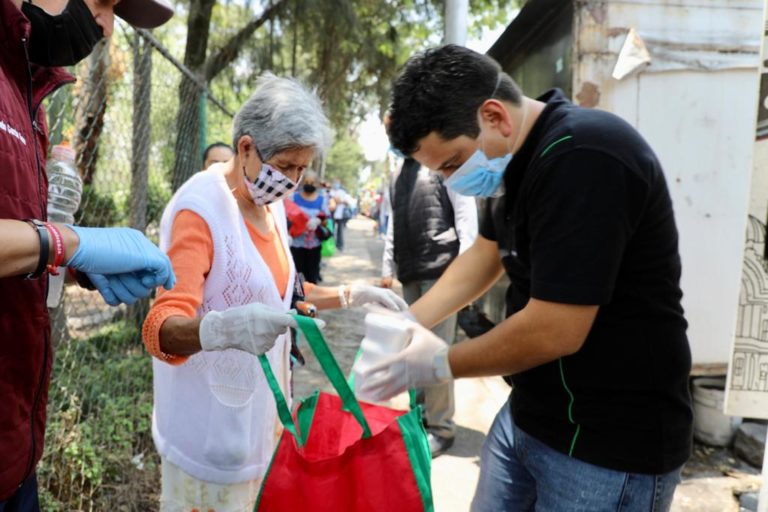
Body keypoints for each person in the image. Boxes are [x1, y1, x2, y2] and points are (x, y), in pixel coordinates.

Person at [360, 45, 692, 511]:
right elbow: (485, 255)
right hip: (531, 414)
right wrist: (409, 322)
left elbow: (556, 328)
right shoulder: (514, 163)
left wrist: (440, 364)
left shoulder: (584, 156)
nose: (453, 180)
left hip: (607, 443)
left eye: (453, 163)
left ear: (495, 116)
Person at [141, 73, 408, 512]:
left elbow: (283, 292)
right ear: (246, 147)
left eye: (303, 168)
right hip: (210, 436)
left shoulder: (269, 205)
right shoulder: (200, 209)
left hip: (263, 422)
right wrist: (220, 330)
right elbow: (159, 330)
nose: (293, 179)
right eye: (286, 166)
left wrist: (350, 295)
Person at [0, 0, 174, 508]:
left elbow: (24, 239)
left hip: (15, 454)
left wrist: (74, 265)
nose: (106, 24)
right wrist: (66, 244)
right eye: (106, 1)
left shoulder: (25, 88)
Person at [380, 157, 477, 457]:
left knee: (434, 350)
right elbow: (393, 222)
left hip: (442, 271)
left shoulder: (442, 160)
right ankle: (419, 417)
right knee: (413, 349)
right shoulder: (398, 172)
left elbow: (466, 218)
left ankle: (441, 428)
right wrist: (387, 265)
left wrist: (465, 276)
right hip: (411, 270)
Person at [289, 170, 329, 283]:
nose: (309, 185)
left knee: (312, 276)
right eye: (306, 181)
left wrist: (318, 221)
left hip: (314, 245)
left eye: (312, 182)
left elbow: (326, 219)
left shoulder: (322, 199)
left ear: (317, 184)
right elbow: (287, 216)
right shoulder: (293, 198)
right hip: (296, 244)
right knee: (296, 277)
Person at [329, 179, 352, 251]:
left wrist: (340, 201)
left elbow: (347, 202)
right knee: (330, 230)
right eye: (335, 183)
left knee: (340, 231)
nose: (336, 184)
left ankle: (340, 246)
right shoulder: (330, 191)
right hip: (331, 214)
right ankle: (331, 245)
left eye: (337, 183)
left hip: (340, 215)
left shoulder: (342, 192)